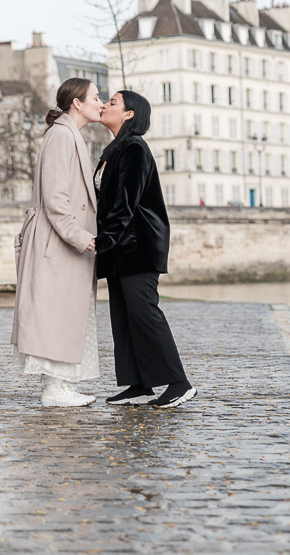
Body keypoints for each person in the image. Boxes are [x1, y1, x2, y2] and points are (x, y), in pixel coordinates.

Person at [94, 90, 196, 409]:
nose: (105, 105)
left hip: (137, 245)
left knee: (145, 313)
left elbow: (126, 202)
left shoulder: (134, 147)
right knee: (124, 317)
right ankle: (138, 385)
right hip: (119, 249)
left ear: (128, 114)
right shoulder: (114, 148)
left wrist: (102, 243)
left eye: (112, 102)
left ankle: (179, 383)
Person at [11, 78, 103, 407]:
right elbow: (55, 198)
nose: (101, 102)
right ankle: (54, 389)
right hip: (57, 240)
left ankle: (61, 385)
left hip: (61, 240)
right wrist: (82, 237)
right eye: (95, 96)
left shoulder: (67, 134)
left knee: (63, 314)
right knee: (55, 313)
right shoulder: (62, 136)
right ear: (77, 103)